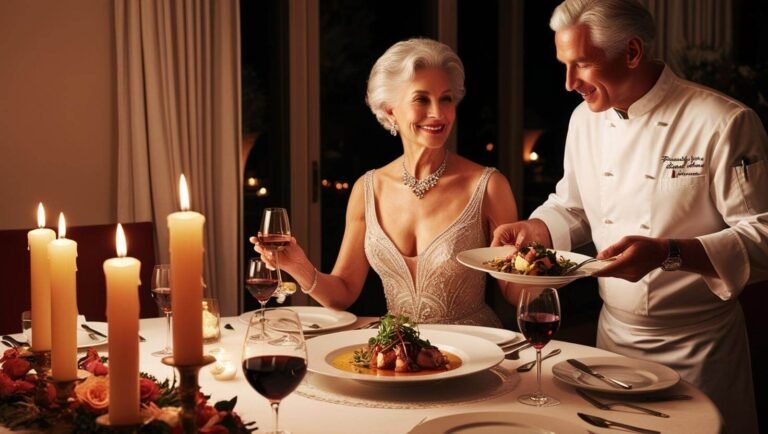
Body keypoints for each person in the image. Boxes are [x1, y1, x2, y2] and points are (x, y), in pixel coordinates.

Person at [492, 1, 767, 432]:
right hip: (612, 346)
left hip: (699, 348)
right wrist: (537, 228)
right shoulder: (584, 120)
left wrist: (668, 254)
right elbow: (575, 205)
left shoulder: (723, 122)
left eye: (581, 63)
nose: (569, 83)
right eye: (564, 65)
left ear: (632, 52)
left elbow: (763, 235)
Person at [253, 38, 518, 327]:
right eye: (421, 99)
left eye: (446, 98)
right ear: (391, 110)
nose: (438, 113)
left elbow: (515, 291)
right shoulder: (368, 190)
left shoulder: (488, 187)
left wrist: (541, 267)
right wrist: (298, 266)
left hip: (475, 354)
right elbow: (343, 292)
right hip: (399, 358)